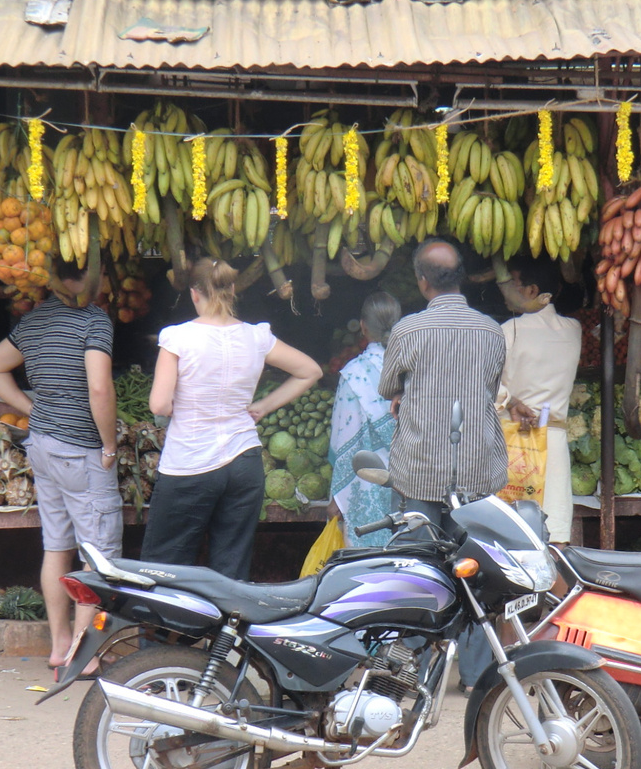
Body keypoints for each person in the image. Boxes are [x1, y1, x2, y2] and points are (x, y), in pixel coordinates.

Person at [0, 237, 117, 676]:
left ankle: (60, 645)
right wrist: (109, 442)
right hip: (81, 449)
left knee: (56, 546)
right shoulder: (94, 321)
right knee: (97, 554)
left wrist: (32, 409)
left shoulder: (34, 322)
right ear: (90, 276)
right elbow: (99, 387)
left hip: (42, 446)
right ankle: (84, 651)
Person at [142, 257, 321, 580]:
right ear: (232, 289)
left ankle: (164, 631)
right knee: (231, 570)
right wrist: (264, 406)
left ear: (195, 294)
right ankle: (223, 632)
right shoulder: (256, 337)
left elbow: (159, 404)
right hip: (243, 462)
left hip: (190, 463)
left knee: (164, 567)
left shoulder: (177, 338)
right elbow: (310, 371)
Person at [378, 238, 507, 525]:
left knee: (418, 556)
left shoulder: (407, 331)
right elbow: (491, 390)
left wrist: (404, 391)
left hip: (419, 470)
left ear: (423, 281)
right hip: (478, 469)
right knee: (471, 561)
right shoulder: (492, 331)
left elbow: (387, 388)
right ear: (460, 277)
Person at [496, 265, 581, 546]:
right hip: (553, 440)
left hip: (515, 440)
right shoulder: (573, 330)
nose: (506, 292)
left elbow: (486, 384)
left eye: (513, 285)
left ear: (533, 291)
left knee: (512, 535)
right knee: (555, 536)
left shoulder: (508, 331)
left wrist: (508, 400)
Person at [328, 291, 402, 547]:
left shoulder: (353, 374)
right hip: (412, 484)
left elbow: (344, 438)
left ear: (363, 327)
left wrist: (338, 495)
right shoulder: (414, 369)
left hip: (365, 485)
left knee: (366, 568)